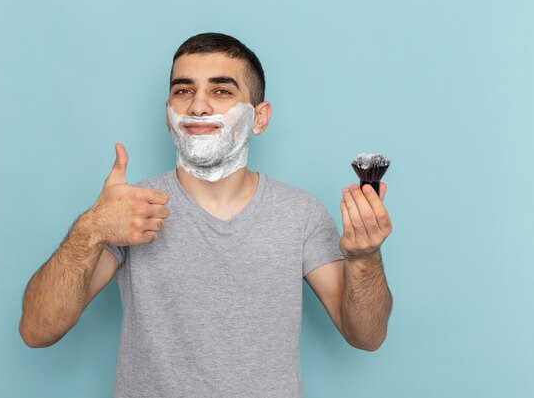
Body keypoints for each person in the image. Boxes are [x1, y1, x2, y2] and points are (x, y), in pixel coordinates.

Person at [19, 32, 393, 398]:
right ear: (168, 115)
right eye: (183, 91)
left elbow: (366, 336)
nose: (197, 106)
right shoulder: (132, 209)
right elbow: (36, 331)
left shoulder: (300, 213)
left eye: (221, 91)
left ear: (259, 118)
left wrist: (363, 258)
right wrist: (92, 227)